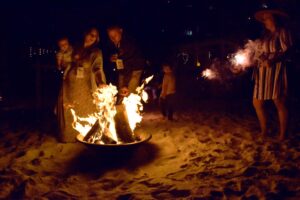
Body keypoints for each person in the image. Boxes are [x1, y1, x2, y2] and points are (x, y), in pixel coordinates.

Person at [58, 28, 106, 142]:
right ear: (85, 33)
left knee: (88, 112)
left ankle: (87, 136)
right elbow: (66, 62)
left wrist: (100, 82)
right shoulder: (75, 47)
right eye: (90, 34)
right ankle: (68, 137)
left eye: (94, 36)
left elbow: (97, 68)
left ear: (97, 39)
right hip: (70, 86)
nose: (91, 37)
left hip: (85, 88)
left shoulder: (96, 52)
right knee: (69, 110)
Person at [252, 8, 293, 140]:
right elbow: (258, 53)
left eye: (267, 17)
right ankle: (264, 131)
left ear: (275, 19)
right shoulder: (265, 36)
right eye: (264, 18)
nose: (265, 20)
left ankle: (282, 134)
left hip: (277, 70)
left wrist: (273, 59)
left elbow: (288, 51)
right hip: (262, 72)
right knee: (257, 102)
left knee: (279, 101)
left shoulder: (282, 32)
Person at [107, 25, 145, 94]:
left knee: (129, 93)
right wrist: (112, 59)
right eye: (111, 37)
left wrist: (125, 84)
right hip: (123, 71)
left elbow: (128, 59)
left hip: (134, 70)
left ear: (121, 31)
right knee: (121, 92)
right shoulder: (115, 45)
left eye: (115, 35)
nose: (113, 38)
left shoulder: (128, 42)